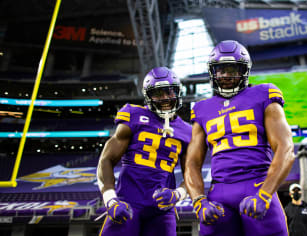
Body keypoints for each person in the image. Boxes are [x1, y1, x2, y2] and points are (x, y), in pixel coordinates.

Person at [184, 40, 295, 235]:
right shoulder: (202, 109)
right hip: (219, 192)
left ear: (244, 70)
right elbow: (191, 163)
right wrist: (199, 200)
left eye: (232, 69)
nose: (226, 75)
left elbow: (286, 149)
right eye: (220, 70)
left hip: (257, 184)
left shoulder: (264, 93)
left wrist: (265, 194)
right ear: (212, 72)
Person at [96, 67, 192, 236]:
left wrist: (178, 194)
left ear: (177, 92)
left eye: (169, 92)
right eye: (158, 93)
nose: (164, 98)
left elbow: (192, 175)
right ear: (148, 96)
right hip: (128, 201)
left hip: (162, 208)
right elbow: (106, 160)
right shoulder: (134, 115)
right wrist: (110, 199)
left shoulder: (188, 131)